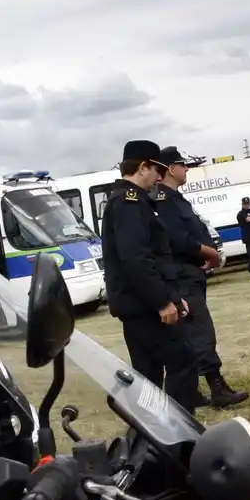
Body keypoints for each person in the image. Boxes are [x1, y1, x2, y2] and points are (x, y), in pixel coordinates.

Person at [101, 140, 202, 410]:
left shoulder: (128, 201)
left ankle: (152, 439)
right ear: (142, 167)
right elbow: (137, 259)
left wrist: (173, 297)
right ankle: (178, 433)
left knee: (149, 378)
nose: (160, 176)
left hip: (140, 304)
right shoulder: (128, 202)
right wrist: (163, 302)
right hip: (145, 306)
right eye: (156, 169)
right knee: (183, 360)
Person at [151, 147, 247, 408]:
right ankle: (217, 387)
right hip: (181, 275)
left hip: (191, 272)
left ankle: (191, 391)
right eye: (183, 165)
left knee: (190, 333)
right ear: (170, 168)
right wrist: (210, 254)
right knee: (200, 331)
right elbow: (178, 239)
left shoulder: (175, 198)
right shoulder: (164, 199)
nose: (187, 170)